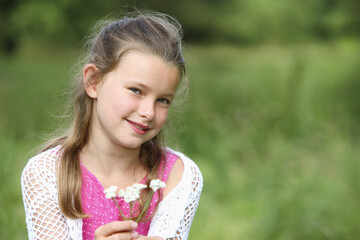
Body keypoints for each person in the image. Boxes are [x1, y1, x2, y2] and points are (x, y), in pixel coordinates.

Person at [21, 12, 203, 240]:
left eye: (163, 100)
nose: (148, 112)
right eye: (136, 90)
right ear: (93, 82)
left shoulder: (177, 175)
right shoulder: (47, 174)